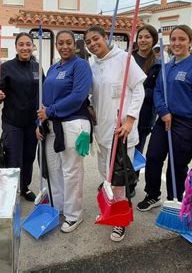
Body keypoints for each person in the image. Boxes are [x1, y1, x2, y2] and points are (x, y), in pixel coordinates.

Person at [137, 25, 192, 211]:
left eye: (182, 39)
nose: (177, 43)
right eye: (174, 39)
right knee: (153, 157)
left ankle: (175, 200)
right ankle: (153, 195)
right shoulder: (166, 67)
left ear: (191, 42)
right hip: (164, 120)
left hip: (187, 123)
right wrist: (162, 111)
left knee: (176, 165)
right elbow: (158, 91)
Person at [84, 25, 146, 242]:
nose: (92, 44)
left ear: (105, 38)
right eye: (88, 42)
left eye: (95, 39)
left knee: (119, 178)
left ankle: (120, 221)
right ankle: (111, 207)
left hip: (122, 132)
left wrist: (130, 120)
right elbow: (93, 95)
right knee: (105, 174)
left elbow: (139, 90)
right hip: (102, 130)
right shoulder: (93, 64)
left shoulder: (124, 58)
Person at [36, 30, 92, 233]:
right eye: (61, 43)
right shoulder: (53, 68)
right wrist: (39, 122)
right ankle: (58, 207)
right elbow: (44, 97)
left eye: (69, 43)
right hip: (52, 126)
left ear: (75, 46)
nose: (65, 46)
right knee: (54, 170)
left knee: (71, 171)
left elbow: (78, 96)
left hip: (73, 124)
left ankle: (74, 215)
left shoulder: (81, 66)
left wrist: (50, 111)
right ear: (56, 45)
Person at [0, 32, 40, 201]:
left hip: (32, 122)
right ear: (16, 47)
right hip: (12, 121)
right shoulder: (6, 68)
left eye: (28, 44)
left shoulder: (37, 67)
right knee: (13, 156)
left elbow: (44, 91)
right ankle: (10, 189)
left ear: (33, 46)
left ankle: (24, 187)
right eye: (21, 44)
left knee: (29, 156)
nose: (25, 48)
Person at [132, 25, 161, 154]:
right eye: (140, 37)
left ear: (154, 40)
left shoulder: (158, 64)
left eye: (147, 37)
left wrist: (139, 91)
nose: (143, 40)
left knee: (136, 153)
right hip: (124, 112)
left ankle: (134, 175)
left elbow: (158, 92)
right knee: (118, 154)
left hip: (144, 114)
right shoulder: (127, 58)